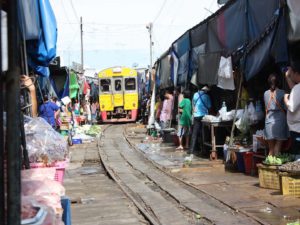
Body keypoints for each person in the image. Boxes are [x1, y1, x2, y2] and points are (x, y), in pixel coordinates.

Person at [263, 74, 289, 156]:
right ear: (278, 82)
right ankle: (276, 167)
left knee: (270, 150)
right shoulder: (282, 93)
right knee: (277, 147)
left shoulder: (265, 94)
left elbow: (265, 107)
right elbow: (287, 108)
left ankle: (268, 167)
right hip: (280, 121)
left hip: (268, 121)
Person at [187, 85, 212, 161]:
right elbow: (209, 106)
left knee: (194, 133)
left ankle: (191, 150)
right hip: (204, 117)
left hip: (196, 116)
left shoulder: (195, 94)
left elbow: (193, 105)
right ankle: (204, 150)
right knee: (204, 133)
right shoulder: (207, 96)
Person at [284, 60, 300, 156]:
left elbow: (291, 107)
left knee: (297, 157)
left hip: (297, 129)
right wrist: (288, 77)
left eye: (292, 73)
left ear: (297, 73)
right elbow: (294, 89)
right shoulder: (297, 88)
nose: (292, 76)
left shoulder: (297, 88)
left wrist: (285, 99)